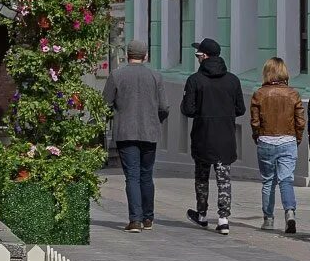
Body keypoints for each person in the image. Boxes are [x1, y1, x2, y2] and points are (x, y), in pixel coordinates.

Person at [102, 40, 169, 232]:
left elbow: (105, 103)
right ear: (145, 56)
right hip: (150, 131)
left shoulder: (117, 75)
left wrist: (115, 114)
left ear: (127, 55)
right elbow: (164, 107)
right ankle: (148, 218)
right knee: (146, 174)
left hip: (126, 132)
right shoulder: (156, 76)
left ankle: (135, 220)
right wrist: (156, 121)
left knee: (132, 175)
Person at [181, 38, 245, 235]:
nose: (197, 58)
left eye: (198, 55)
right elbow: (240, 109)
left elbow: (188, 110)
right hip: (225, 136)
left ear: (205, 56)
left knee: (202, 177)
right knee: (223, 178)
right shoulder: (233, 80)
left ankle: (201, 215)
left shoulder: (195, 80)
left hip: (203, 135)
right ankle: (223, 219)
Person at [250, 57, 305, 233]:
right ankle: (289, 212)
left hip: (266, 140)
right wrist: (297, 138)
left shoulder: (259, 94)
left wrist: (257, 137)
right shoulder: (293, 94)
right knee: (286, 179)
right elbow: (300, 122)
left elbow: (255, 122)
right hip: (288, 140)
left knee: (268, 182)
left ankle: (268, 219)